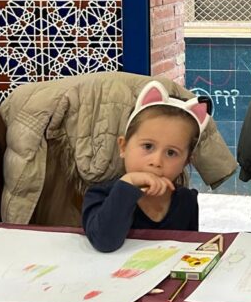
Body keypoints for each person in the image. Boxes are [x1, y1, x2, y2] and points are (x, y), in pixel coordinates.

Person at [82, 81, 209, 251]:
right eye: (148, 146)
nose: (156, 161)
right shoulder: (99, 195)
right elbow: (104, 242)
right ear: (123, 147)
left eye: (171, 153)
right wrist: (128, 184)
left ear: (185, 162)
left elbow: (188, 251)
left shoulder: (187, 200)